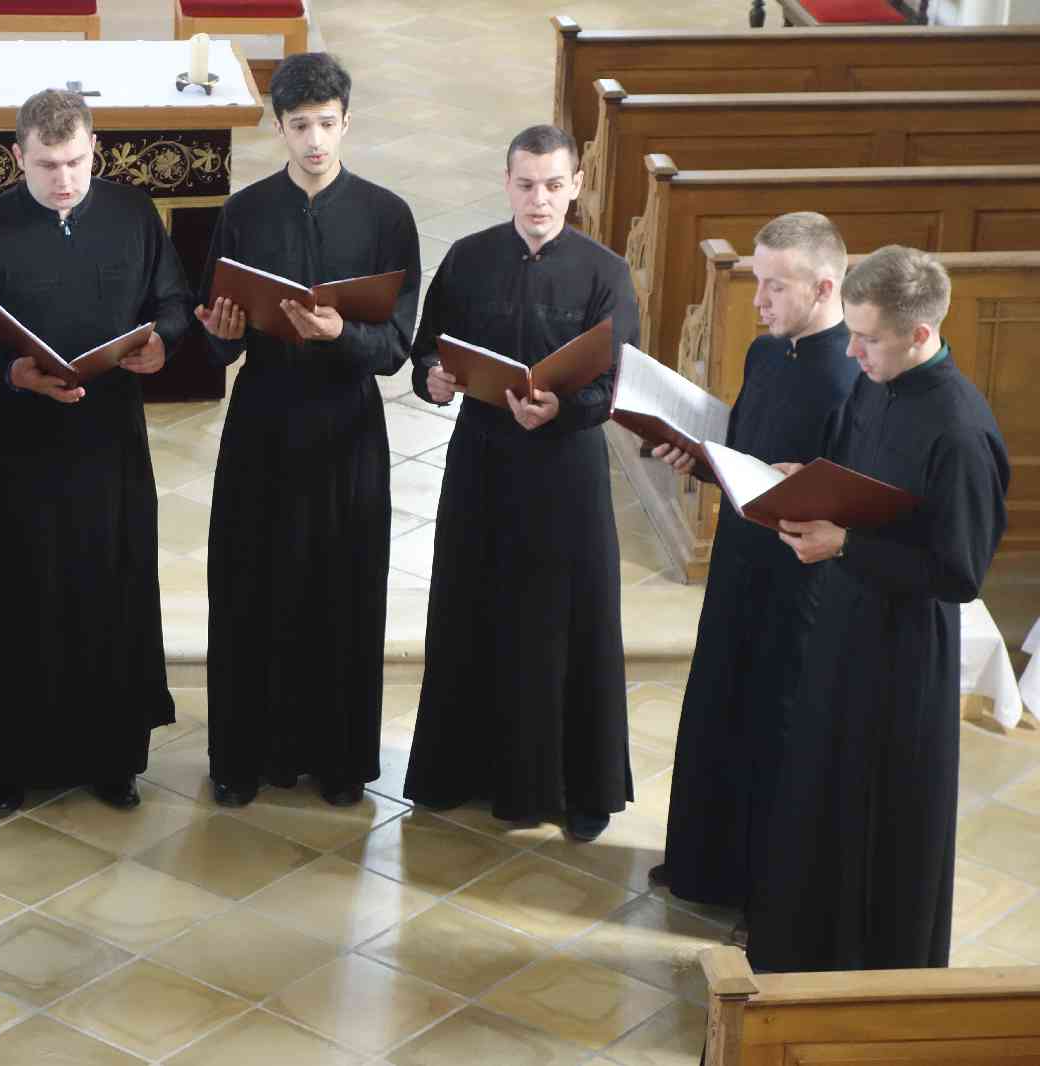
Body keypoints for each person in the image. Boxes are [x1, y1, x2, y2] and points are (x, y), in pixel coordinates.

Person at [0, 88, 194, 818]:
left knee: (110, 587)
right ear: (18, 157)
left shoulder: (133, 216)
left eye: (76, 162)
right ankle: (6, 764)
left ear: (95, 149)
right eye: (47, 166)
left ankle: (112, 757)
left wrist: (163, 343)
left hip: (108, 445)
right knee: (13, 596)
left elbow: (174, 302)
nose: (65, 179)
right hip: (14, 453)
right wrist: (9, 372)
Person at [751, 246, 1009, 972]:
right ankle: (803, 951)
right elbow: (849, 472)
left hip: (904, 652)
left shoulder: (961, 431)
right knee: (821, 786)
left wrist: (845, 545)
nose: (851, 351)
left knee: (880, 813)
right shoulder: (874, 381)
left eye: (867, 338)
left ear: (920, 334)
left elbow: (959, 573)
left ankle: (867, 972)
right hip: (841, 618)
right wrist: (802, 482)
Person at [401, 124, 638, 841]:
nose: (540, 200)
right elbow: (427, 351)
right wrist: (433, 379)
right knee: (471, 607)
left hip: (567, 471)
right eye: (526, 185)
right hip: (483, 461)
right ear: (506, 183)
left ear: (576, 186)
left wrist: (564, 408)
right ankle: (459, 773)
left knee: (572, 621)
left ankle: (577, 788)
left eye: (554, 185)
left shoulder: (604, 272)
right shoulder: (469, 258)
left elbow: (620, 383)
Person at [196, 52, 420, 808]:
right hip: (263, 422)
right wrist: (223, 333)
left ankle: (339, 761)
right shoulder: (245, 214)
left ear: (347, 121)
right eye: (300, 126)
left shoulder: (387, 217)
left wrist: (338, 335)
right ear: (280, 129)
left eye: (327, 124)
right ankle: (243, 758)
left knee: (343, 589)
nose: (315, 141)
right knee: (249, 586)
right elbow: (216, 344)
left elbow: (396, 349)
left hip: (346, 428)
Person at [647, 213, 858, 924]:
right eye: (757, 282)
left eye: (775, 287)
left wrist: (802, 488)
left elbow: (850, 499)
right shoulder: (767, 353)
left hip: (798, 584)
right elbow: (745, 453)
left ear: (824, 287)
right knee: (720, 707)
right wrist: (699, 459)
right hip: (740, 560)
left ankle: (767, 896)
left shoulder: (852, 375)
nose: (758, 301)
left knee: (777, 729)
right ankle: (705, 864)